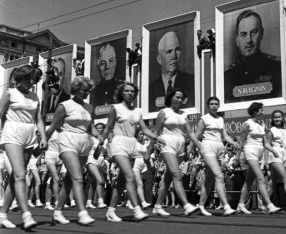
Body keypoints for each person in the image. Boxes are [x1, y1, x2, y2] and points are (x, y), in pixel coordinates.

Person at [101, 82, 162, 222]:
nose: (130, 93)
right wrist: (101, 142)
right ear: (122, 93)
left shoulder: (138, 111)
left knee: (122, 181)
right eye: (127, 91)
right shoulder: (115, 108)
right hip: (119, 143)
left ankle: (110, 211)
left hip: (132, 144)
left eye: (132, 91)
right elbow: (108, 127)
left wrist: (157, 137)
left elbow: (144, 129)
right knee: (130, 176)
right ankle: (137, 209)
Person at [0, 65, 47, 230]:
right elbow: (0, 114)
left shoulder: (34, 97)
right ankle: (26, 214)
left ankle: (3, 215)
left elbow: (39, 119)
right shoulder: (10, 93)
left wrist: (43, 136)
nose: (30, 81)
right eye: (27, 78)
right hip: (12, 132)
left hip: (29, 134)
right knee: (21, 176)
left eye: (32, 78)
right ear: (18, 79)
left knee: (16, 177)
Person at [46, 76, 98, 226]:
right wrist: (42, 143)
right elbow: (53, 126)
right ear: (76, 89)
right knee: (78, 178)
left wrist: (99, 135)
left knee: (70, 180)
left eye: (88, 91)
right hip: (68, 141)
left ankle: (57, 212)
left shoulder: (89, 107)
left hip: (84, 143)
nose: (87, 93)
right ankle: (82, 212)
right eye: (84, 90)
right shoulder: (64, 105)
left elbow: (90, 127)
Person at [152, 88, 200, 217]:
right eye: (176, 97)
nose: (179, 99)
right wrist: (148, 151)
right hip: (167, 144)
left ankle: (157, 206)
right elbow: (155, 133)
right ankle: (186, 205)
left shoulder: (184, 114)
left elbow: (190, 133)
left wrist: (198, 145)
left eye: (181, 98)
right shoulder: (164, 112)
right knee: (176, 174)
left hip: (180, 146)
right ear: (171, 98)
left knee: (168, 178)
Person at [191, 96, 238, 216]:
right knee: (219, 176)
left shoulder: (221, 119)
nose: (214, 106)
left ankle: (201, 206)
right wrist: (189, 147)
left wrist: (234, 143)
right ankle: (226, 206)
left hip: (219, 148)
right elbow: (197, 134)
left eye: (216, 104)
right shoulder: (204, 119)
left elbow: (225, 136)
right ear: (208, 106)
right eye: (212, 104)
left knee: (210, 179)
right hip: (208, 146)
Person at [233, 102, 281, 214]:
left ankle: (240, 204)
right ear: (255, 111)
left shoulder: (262, 125)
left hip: (259, 153)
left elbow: (265, 143)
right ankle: (269, 205)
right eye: (261, 110)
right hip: (250, 152)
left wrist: (273, 151)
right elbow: (240, 142)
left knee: (248, 181)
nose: (263, 111)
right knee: (260, 178)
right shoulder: (247, 124)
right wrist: (236, 158)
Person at [224, 9, 281, 102]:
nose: (249, 40)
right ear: (237, 40)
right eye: (243, 34)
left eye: (254, 32)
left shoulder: (277, 68)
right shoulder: (227, 76)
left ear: (261, 33)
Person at [149, 32, 194, 111]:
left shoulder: (192, 82)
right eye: (169, 51)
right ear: (159, 59)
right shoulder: (150, 89)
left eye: (177, 50)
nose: (174, 56)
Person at [93, 43, 120, 107]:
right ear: (98, 65)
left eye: (111, 61)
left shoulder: (123, 88)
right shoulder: (93, 92)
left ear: (116, 63)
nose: (107, 66)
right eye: (103, 63)